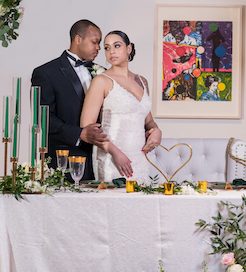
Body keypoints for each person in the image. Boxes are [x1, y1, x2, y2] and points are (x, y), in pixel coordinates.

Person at [31, 20, 108, 181]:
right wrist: (80, 134)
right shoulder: (46, 73)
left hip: (102, 160)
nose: (99, 48)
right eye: (95, 42)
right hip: (64, 161)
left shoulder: (104, 73)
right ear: (78, 39)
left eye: (100, 43)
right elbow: (43, 118)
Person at [80, 30, 162, 184]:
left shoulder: (142, 81)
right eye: (107, 47)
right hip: (112, 157)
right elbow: (87, 126)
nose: (111, 51)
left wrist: (157, 131)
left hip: (140, 157)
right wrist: (115, 152)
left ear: (129, 49)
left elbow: (148, 120)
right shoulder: (101, 81)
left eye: (117, 46)